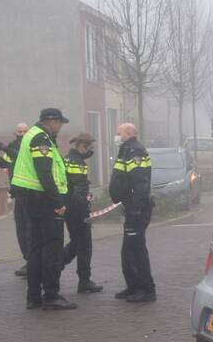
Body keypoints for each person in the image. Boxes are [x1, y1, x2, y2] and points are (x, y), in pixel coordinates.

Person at [10, 108, 76, 310]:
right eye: (60, 123)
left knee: (36, 249)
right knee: (52, 249)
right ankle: (51, 295)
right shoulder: (41, 139)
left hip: (32, 199)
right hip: (44, 200)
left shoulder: (32, 135)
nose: (60, 127)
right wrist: (58, 203)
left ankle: (33, 296)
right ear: (52, 121)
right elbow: (45, 173)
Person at [109, 123, 156, 303]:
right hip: (130, 207)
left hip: (137, 209)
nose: (117, 136)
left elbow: (140, 182)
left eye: (119, 133)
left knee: (136, 250)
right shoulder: (126, 150)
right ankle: (133, 286)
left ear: (128, 133)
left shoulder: (136, 151)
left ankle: (146, 289)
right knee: (128, 250)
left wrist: (136, 207)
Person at [0, 122, 30, 277]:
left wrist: (5, 148)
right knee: (21, 231)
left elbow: (23, 157)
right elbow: (2, 163)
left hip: (32, 196)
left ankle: (35, 263)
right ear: (15, 134)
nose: (22, 134)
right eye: (19, 132)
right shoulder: (12, 147)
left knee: (31, 230)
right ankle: (29, 261)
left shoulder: (32, 146)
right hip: (19, 195)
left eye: (25, 131)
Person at [61, 133, 103, 294]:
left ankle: (55, 267)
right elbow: (79, 188)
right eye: (89, 147)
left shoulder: (67, 158)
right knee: (84, 245)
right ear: (81, 146)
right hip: (77, 210)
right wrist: (84, 208)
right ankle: (84, 281)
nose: (90, 151)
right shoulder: (77, 162)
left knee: (76, 242)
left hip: (69, 207)